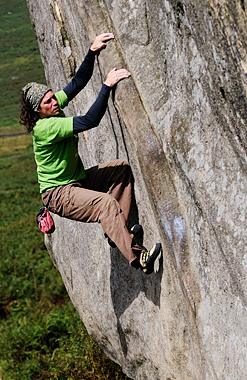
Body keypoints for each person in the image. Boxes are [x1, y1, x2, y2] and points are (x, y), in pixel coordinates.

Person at [20, 32, 162, 273]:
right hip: (59, 194)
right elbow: (89, 120)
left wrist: (92, 51)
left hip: (76, 182)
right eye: (47, 102)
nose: (54, 102)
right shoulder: (45, 126)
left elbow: (77, 83)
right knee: (106, 204)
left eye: (53, 96)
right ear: (38, 111)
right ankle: (140, 260)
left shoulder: (52, 110)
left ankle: (116, 232)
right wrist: (106, 86)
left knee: (121, 169)